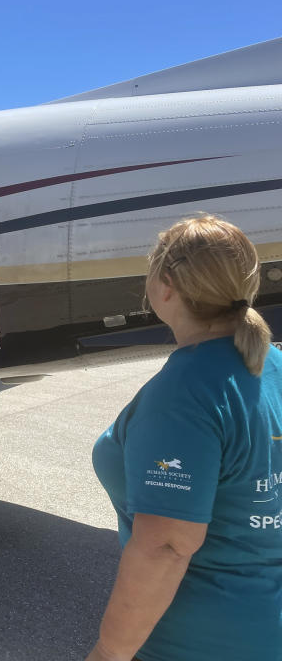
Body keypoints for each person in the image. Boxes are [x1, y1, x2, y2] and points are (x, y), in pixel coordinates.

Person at [88, 215, 282, 661]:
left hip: (197, 642)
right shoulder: (270, 366)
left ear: (167, 286)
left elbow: (167, 545)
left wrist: (109, 652)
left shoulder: (184, 394)